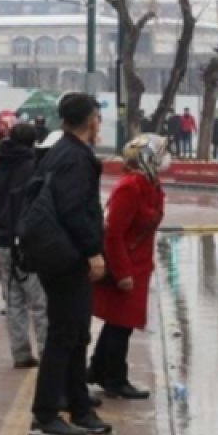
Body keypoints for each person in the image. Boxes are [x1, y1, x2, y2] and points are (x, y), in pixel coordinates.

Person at [28, 93, 112, 435]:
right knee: (65, 334)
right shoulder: (76, 158)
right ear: (91, 120)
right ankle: (45, 414)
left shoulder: (59, 150)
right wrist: (93, 251)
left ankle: (80, 408)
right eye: (98, 118)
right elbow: (75, 210)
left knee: (76, 334)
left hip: (57, 253)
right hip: (66, 256)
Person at [89, 134, 167, 400]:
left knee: (121, 323)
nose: (165, 159)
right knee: (120, 324)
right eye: (160, 154)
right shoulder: (130, 187)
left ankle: (99, 369)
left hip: (140, 264)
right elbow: (113, 233)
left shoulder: (150, 184)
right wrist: (122, 272)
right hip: (126, 265)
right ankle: (114, 378)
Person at [0, 123, 48, 368]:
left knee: (13, 301)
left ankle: (20, 352)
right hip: (29, 243)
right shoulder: (35, 168)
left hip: (3, 241)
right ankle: (46, 352)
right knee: (40, 302)